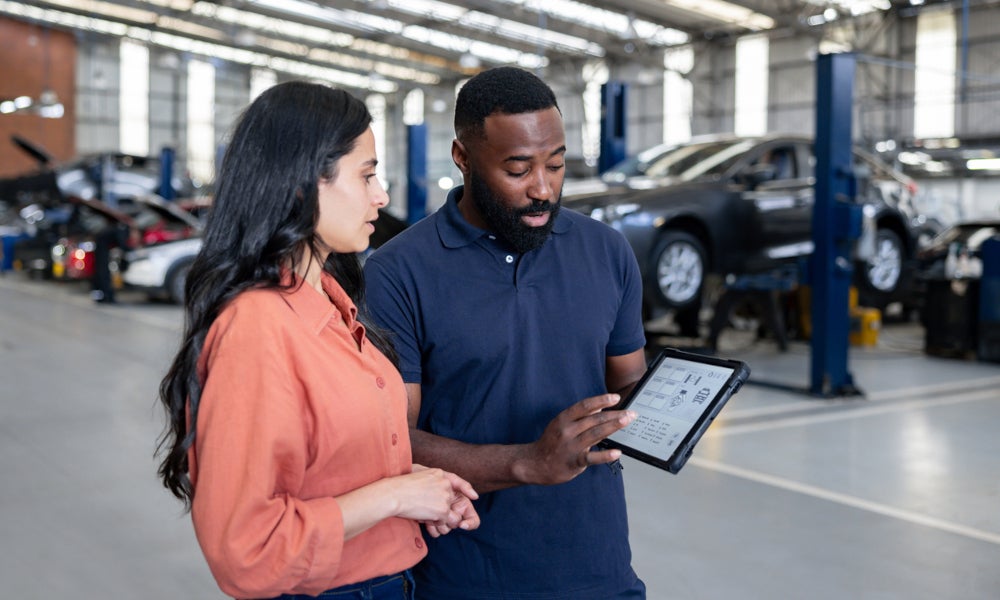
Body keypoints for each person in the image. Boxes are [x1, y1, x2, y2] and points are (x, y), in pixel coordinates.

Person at [155, 81, 480, 600]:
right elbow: (247, 551)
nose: (383, 196)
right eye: (367, 175)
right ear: (305, 183)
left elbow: (320, 464)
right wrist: (394, 494)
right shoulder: (257, 328)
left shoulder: (330, 302)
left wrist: (417, 486)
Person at [364, 66, 650, 599]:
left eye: (557, 164)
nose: (543, 188)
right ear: (463, 158)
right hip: (465, 575)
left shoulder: (607, 252)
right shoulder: (398, 272)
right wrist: (527, 462)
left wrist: (676, 406)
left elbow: (629, 382)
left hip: (599, 569)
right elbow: (390, 441)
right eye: (518, 170)